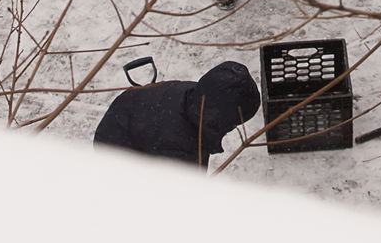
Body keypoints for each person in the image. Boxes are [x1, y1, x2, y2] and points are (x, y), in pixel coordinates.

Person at [93, 61, 262, 166]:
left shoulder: (195, 93)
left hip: (128, 113)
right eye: (234, 123)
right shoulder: (181, 149)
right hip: (115, 150)